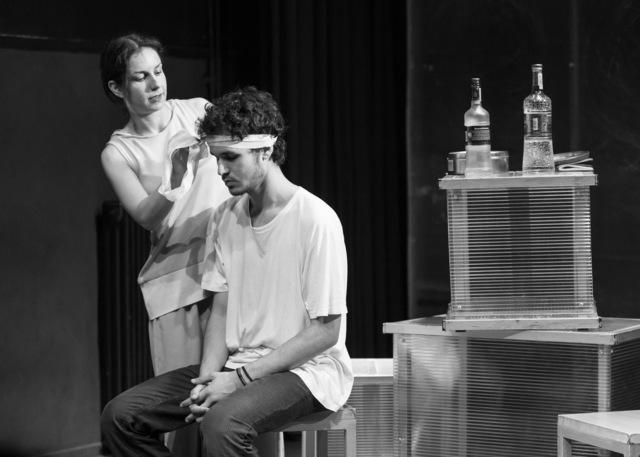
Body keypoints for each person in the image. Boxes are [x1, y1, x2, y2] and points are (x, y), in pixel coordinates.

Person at [100, 86, 353, 457]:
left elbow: (325, 332)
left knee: (222, 425)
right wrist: (207, 378)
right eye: (217, 158)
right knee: (121, 416)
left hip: (307, 372)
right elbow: (220, 311)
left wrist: (239, 380)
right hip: (238, 365)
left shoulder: (315, 219)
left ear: (265, 150)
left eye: (231, 157)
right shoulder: (226, 217)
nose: (220, 170)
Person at [99, 33, 230, 455]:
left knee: (239, 398)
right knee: (186, 408)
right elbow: (145, 214)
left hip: (232, 270)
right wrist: (174, 178)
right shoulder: (119, 152)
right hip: (177, 282)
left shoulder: (198, 111)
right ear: (118, 87)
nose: (155, 83)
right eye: (141, 77)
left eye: (158, 71)